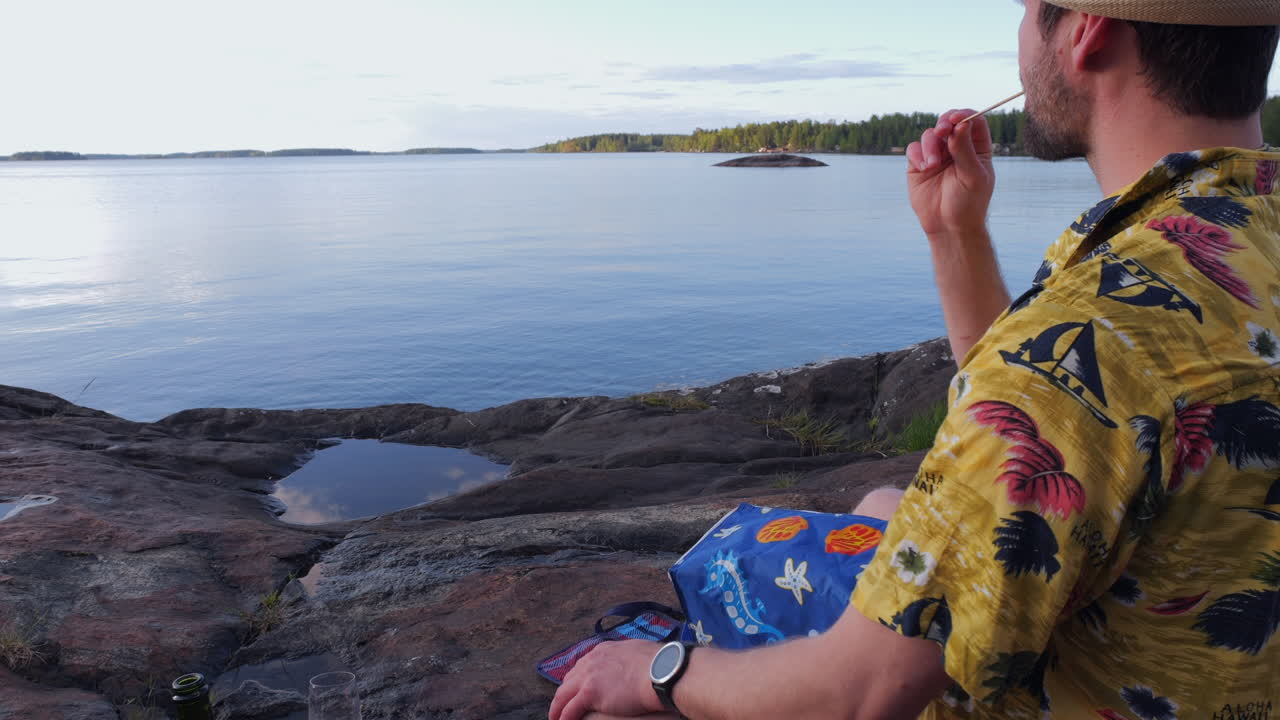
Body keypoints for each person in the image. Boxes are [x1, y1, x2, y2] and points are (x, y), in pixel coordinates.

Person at [550, 0, 1280, 717]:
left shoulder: (1096, 331)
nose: (1020, 40)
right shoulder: (1245, 232)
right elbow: (1044, 411)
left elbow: (858, 695)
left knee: (608, 701)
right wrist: (954, 234)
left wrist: (659, 674)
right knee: (881, 506)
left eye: (1028, 10)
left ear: (1086, 34)